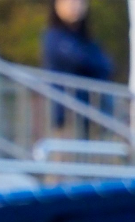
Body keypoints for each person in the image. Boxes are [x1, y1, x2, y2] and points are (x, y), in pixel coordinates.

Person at [41, 0, 112, 129]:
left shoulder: (87, 39)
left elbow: (106, 66)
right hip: (66, 119)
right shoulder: (54, 37)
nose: (74, 6)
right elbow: (79, 60)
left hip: (92, 117)